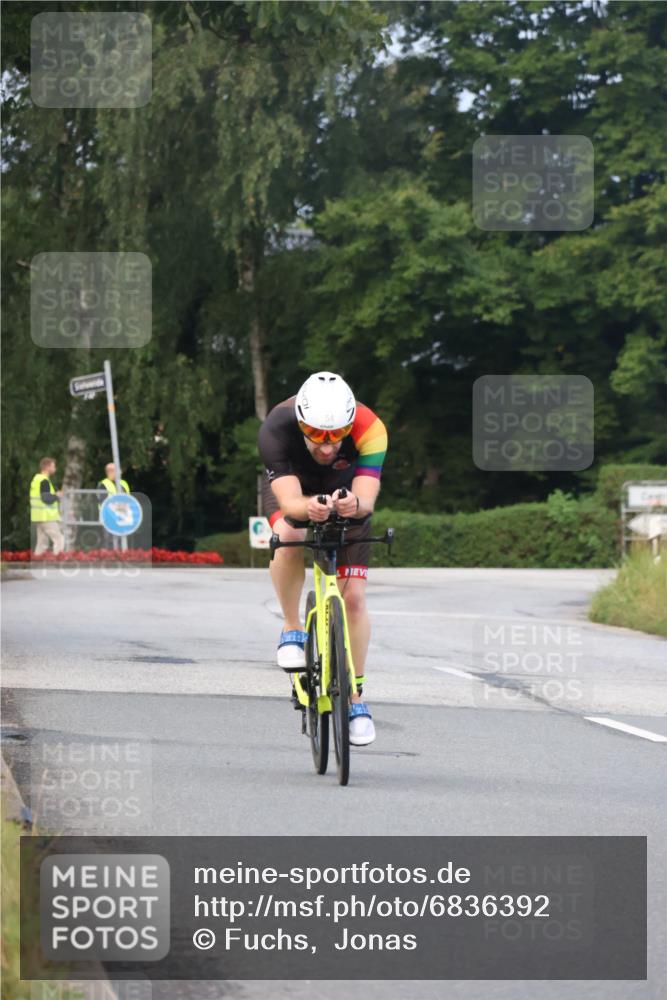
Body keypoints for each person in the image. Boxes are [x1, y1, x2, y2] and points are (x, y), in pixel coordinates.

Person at [258, 372, 388, 746]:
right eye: (317, 434)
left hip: (344, 491)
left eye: (337, 435)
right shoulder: (275, 429)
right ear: (301, 422)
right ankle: (292, 626)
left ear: (351, 424)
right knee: (290, 532)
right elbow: (290, 503)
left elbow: (367, 497)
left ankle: (356, 697)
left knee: (355, 600)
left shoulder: (371, 429)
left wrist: (354, 504)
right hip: (295, 491)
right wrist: (306, 508)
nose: (328, 446)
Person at [30, 457, 64, 555]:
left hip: (39, 516)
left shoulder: (37, 479)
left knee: (42, 543)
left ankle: (38, 561)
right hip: (47, 517)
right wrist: (57, 496)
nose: (55, 468)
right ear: (47, 467)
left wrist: (54, 495)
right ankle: (59, 561)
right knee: (59, 539)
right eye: (53, 466)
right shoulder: (44, 481)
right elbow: (46, 499)